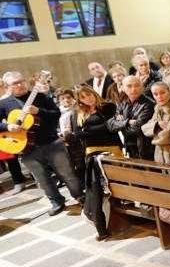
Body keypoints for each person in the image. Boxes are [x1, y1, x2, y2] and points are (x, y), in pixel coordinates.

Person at [0, 71, 83, 215]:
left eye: (22, 81)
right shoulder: (4, 104)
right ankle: (56, 202)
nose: (20, 85)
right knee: (42, 179)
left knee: (67, 173)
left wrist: (38, 111)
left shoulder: (40, 96)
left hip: (51, 142)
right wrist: (7, 127)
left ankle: (80, 196)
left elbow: (56, 114)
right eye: (15, 83)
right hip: (26, 148)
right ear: (8, 86)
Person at [106, 76, 155, 158]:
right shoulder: (123, 103)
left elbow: (138, 128)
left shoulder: (149, 104)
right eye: (129, 86)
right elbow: (110, 125)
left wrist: (121, 124)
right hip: (129, 147)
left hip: (145, 149)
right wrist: (128, 122)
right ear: (123, 88)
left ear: (142, 87)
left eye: (137, 85)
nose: (133, 89)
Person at [69, 85, 121, 158]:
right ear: (80, 100)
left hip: (112, 146)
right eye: (83, 97)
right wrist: (100, 128)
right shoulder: (78, 113)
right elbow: (78, 134)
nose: (88, 98)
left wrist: (87, 129)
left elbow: (109, 127)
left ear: (93, 93)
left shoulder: (108, 106)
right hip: (91, 149)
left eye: (88, 94)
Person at [141, 82, 170, 164]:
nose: (159, 97)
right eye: (155, 94)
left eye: (162, 93)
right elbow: (144, 128)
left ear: (169, 91)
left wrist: (154, 135)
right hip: (159, 153)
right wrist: (157, 124)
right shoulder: (157, 108)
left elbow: (168, 134)